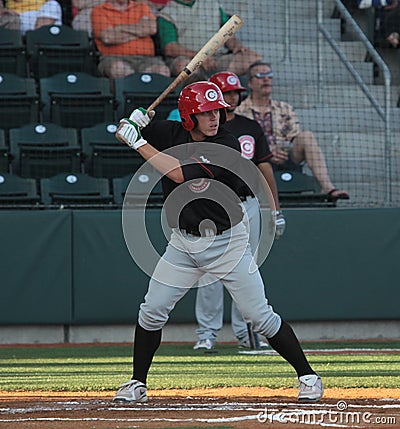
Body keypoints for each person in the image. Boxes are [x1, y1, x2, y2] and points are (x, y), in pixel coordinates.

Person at [112, 80, 324, 403]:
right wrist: (133, 122)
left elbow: (180, 173)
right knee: (151, 310)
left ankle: (308, 376)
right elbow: (122, 130)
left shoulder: (226, 143)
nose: (215, 118)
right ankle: (136, 382)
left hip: (226, 243)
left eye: (217, 112)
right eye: (206, 113)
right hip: (182, 243)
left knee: (260, 316)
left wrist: (138, 142)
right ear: (188, 117)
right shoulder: (170, 133)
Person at [187, 71, 285, 350]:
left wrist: (275, 209)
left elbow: (264, 168)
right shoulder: (196, 131)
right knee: (209, 270)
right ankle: (206, 334)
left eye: (233, 93)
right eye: (224, 93)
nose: (230, 98)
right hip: (210, 205)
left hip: (246, 203)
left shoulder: (250, 127)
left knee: (246, 269)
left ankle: (249, 334)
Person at [236, 61, 350, 201]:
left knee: (306, 136)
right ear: (250, 83)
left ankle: (328, 187)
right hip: (255, 160)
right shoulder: (239, 110)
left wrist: (280, 150)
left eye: (269, 75)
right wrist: (267, 151)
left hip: (284, 156)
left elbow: (293, 136)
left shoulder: (284, 108)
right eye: (260, 75)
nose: (266, 79)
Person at [157, 0, 262, 77]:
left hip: (218, 57)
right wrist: (200, 58)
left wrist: (236, 45)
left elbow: (228, 33)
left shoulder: (212, 4)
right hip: (188, 59)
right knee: (183, 67)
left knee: (252, 57)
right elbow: (170, 48)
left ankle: (219, 84)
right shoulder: (167, 13)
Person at [91, 0, 171, 79]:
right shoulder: (99, 10)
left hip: (146, 59)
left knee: (162, 71)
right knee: (118, 69)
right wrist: (140, 31)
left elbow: (152, 28)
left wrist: (119, 29)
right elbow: (108, 38)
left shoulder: (142, 7)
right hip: (114, 58)